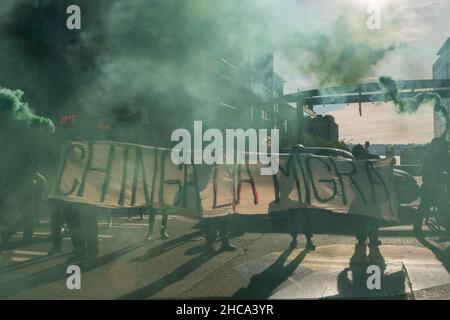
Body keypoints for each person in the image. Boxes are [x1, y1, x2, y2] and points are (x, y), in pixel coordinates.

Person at [414, 138, 449, 234]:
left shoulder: (430, 156)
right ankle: (417, 228)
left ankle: (417, 229)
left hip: (432, 187)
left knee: (424, 209)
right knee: (442, 208)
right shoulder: (432, 157)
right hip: (432, 187)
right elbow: (431, 172)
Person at [351, 144, 382, 248]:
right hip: (372, 196)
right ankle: (373, 240)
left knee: (360, 220)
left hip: (360, 196)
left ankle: (361, 240)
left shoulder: (354, 163)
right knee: (373, 219)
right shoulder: (373, 159)